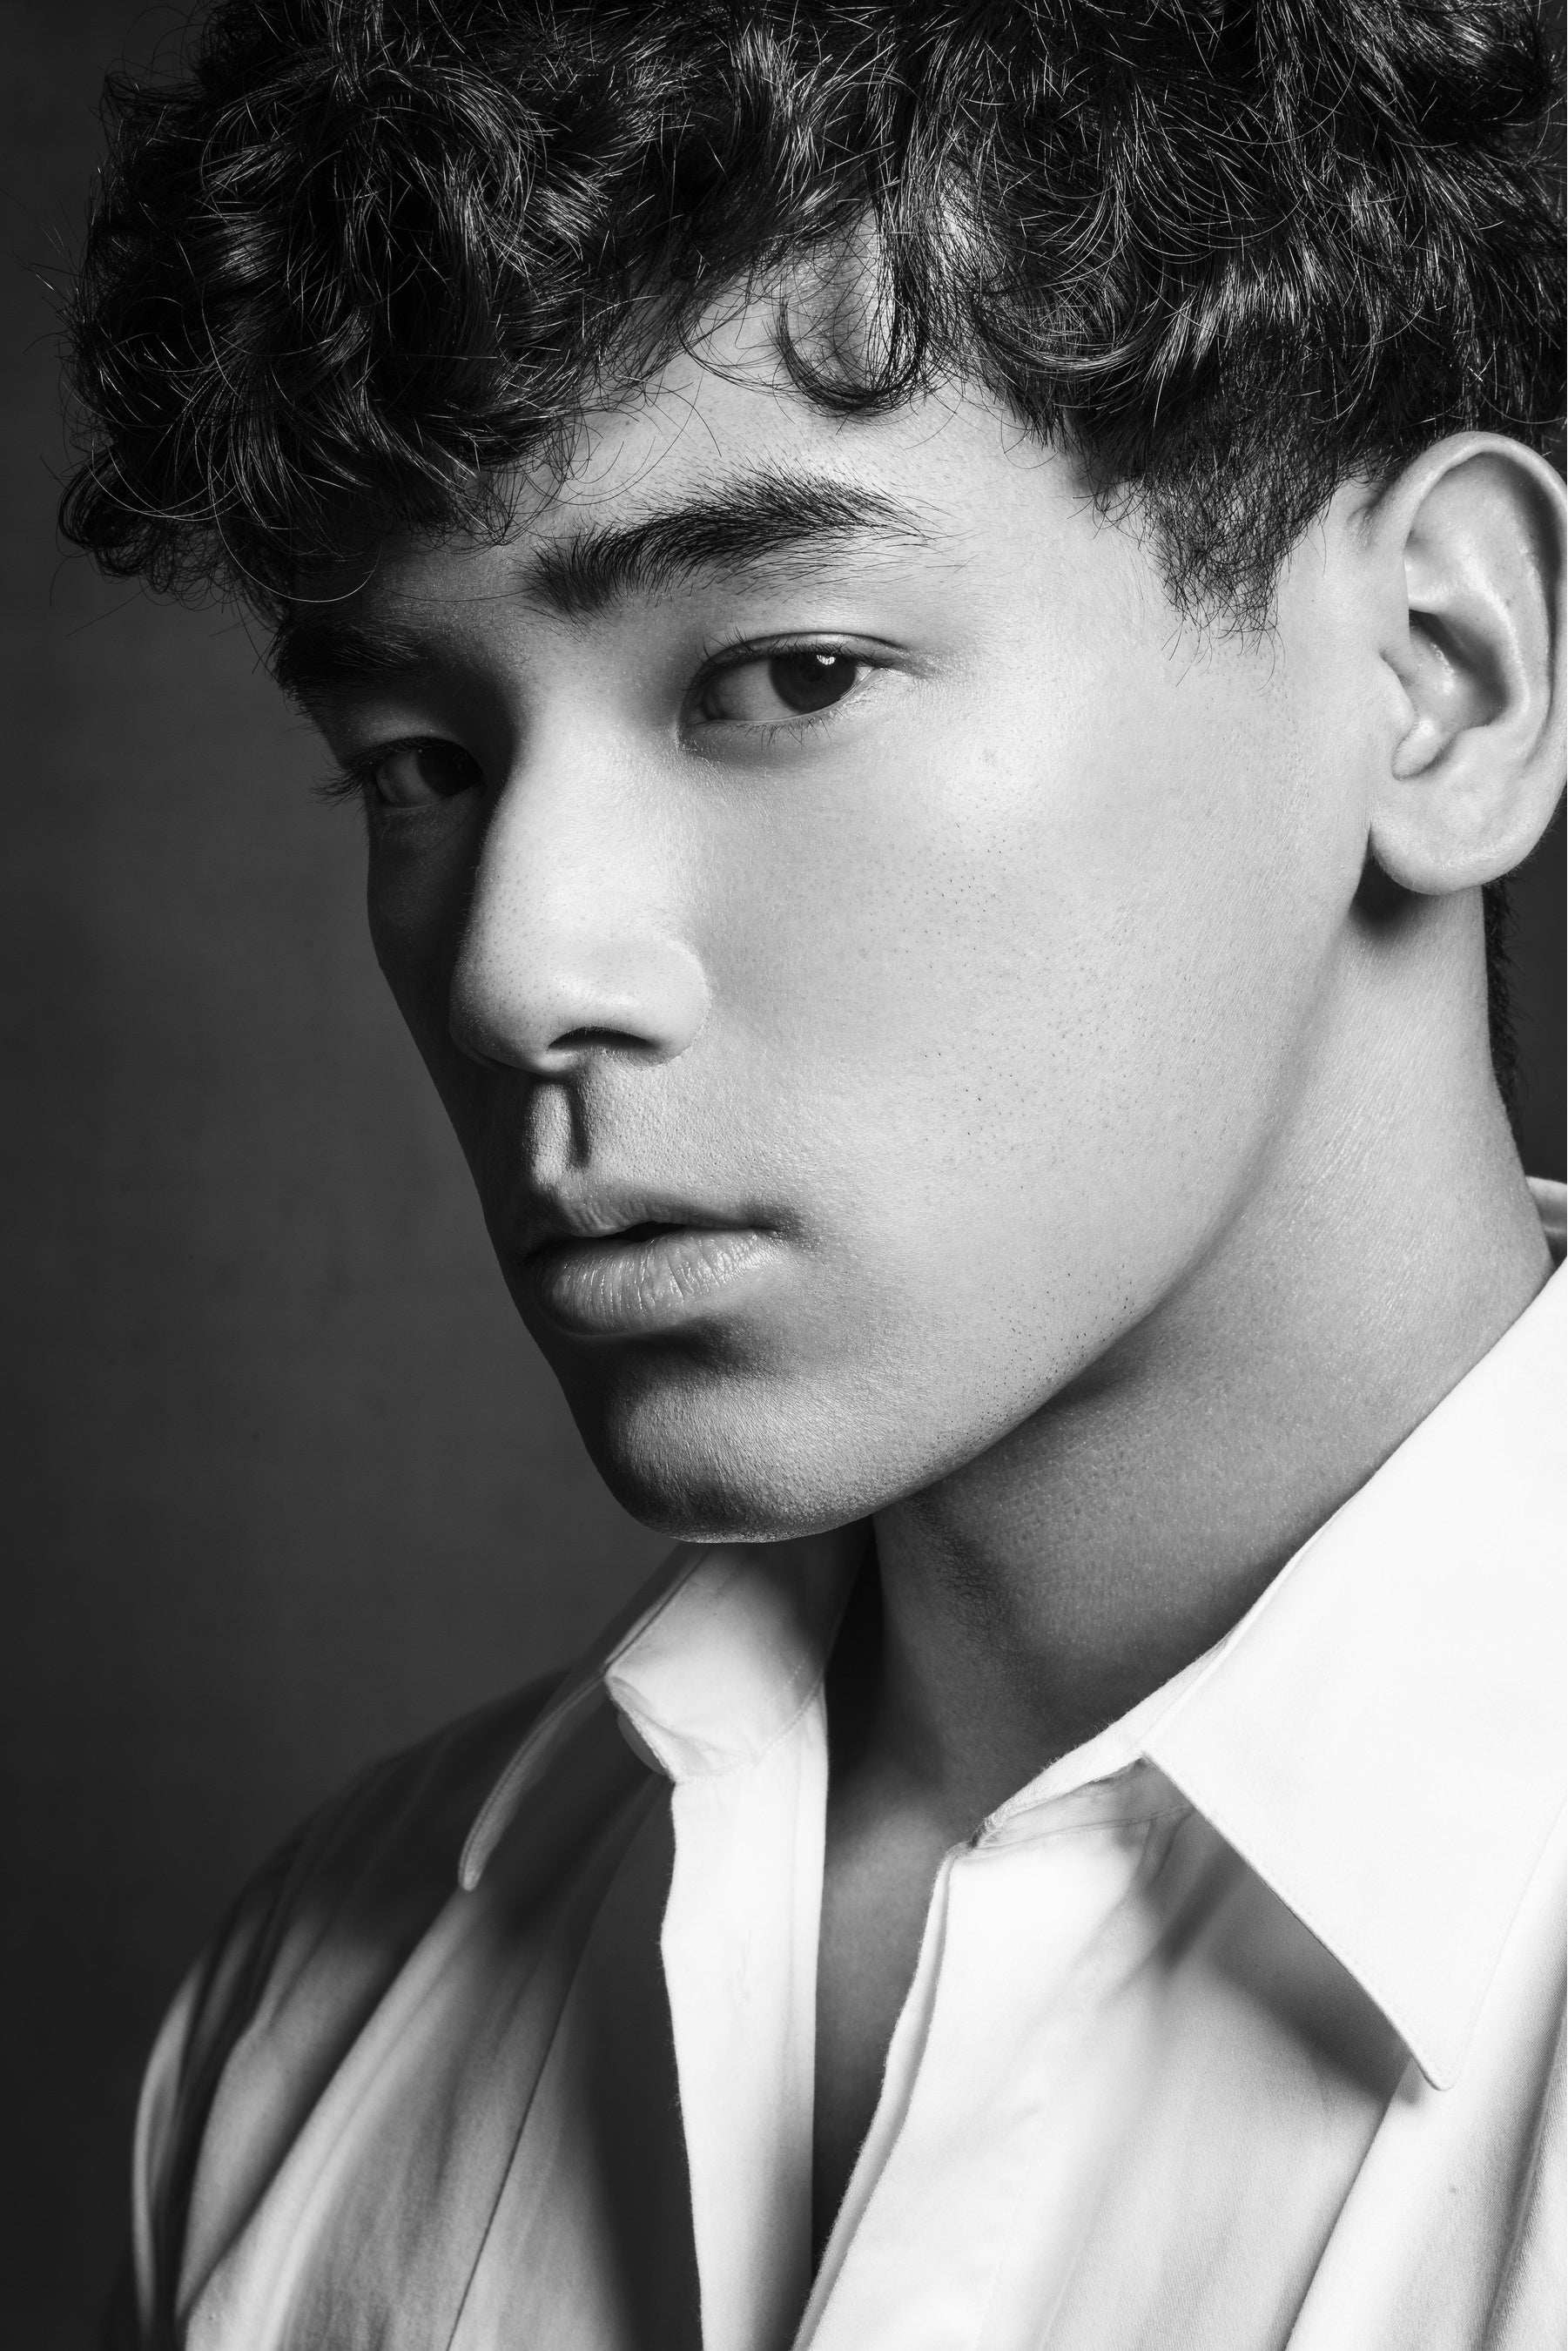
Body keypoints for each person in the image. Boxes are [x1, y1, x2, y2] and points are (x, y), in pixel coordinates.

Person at [63, 2, 1565, 2345]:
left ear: (1442, 676)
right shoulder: (308, 2027)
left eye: (784, 675)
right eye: (418, 762)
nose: (516, 970)